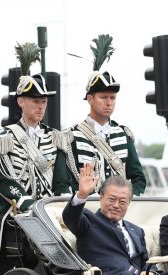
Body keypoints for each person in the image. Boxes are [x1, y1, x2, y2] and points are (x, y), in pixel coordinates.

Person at [0, 42, 69, 275]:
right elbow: (4, 179)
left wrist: (59, 206)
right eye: (35, 101)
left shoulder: (56, 138)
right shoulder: (3, 137)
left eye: (43, 101)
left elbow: (61, 180)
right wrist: (30, 205)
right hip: (19, 213)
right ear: (20, 101)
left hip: (51, 212)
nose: (40, 106)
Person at [57, 34, 146, 196]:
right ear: (90, 99)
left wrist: (129, 199)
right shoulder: (70, 137)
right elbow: (63, 182)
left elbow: (138, 178)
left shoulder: (123, 134)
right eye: (103, 97)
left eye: (112, 98)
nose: (109, 102)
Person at [62, 164, 168, 275]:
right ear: (101, 197)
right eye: (112, 199)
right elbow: (70, 218)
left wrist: (150, 272)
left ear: (128, 203)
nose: (116, 205)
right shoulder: (88, 221)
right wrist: (82, 194)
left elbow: (144, 262)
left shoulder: (136, 230)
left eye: (122, 201)